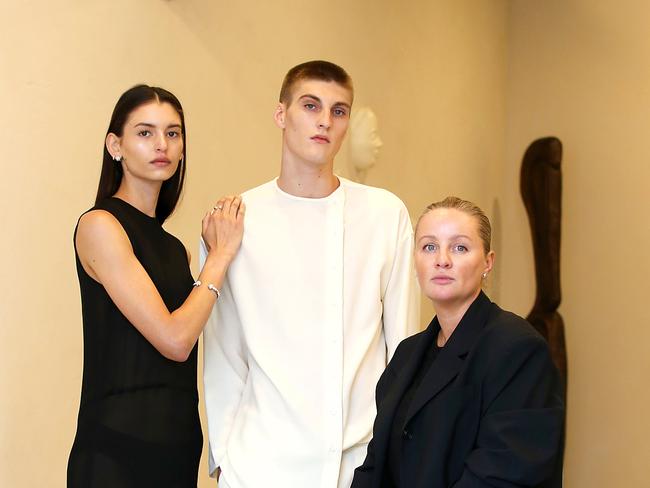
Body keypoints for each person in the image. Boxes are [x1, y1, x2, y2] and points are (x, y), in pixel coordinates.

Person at [199, 60, 419, 488]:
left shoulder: (384, 215)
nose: (325, 121)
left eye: (339, 111)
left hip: (360, 464)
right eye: (311, 105)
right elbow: (224, 353)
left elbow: (404, 349)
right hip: (259, 466)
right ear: (282, 115)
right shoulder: (237, 218)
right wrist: (225, 458)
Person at [67, 84, 245, 487]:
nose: (161, 144)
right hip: (116, 453)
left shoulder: (174, 249)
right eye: (145, 133)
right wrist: (219, 258)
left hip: (176, 450)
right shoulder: (100, 226)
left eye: (173, 133)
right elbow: (175, 339)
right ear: (116, 145)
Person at [351, 196, 565, 488]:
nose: (442, 260)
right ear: (415, 261)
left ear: (487, 262)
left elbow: (505, 473)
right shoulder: (407, 355)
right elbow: (376, 464)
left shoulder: (519, 350)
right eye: (429, 246)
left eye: (459, 247)